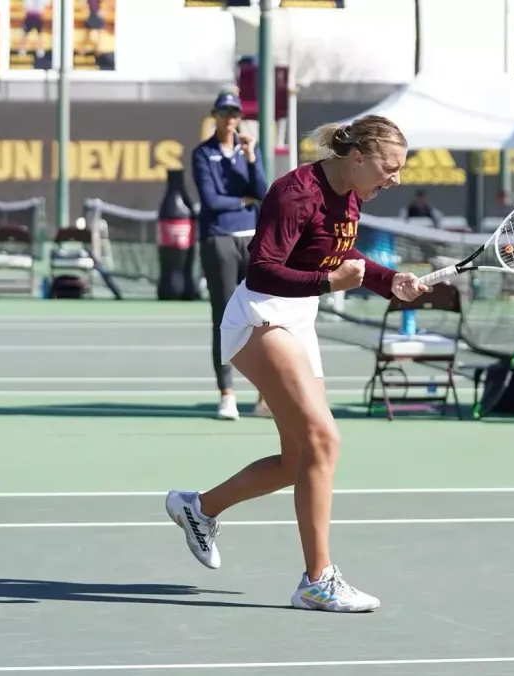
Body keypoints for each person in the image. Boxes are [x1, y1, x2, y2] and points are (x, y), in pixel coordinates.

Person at [166, 115, 429, 613]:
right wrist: (333, 285)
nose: (395, 178)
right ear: (358, 157)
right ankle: (317, 580)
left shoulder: (351, 193)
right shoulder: (294, 193)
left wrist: (388, 280)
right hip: (260, 316)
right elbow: (263, 269)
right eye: (389, 168)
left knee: (302, 459)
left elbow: (338, 253)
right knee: (324, 438)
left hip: (297, 319)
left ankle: (198, 508)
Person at [191, 89, 271, 420]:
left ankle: (265, 394)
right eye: (224, 113)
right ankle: (227, 393)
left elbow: (262, 191)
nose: (230, 119)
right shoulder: (201, 154)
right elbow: (211, 200)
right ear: (215, 115)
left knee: (262, 317)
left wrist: (252, 157)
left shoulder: (248, 150)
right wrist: (241, 201)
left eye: (235, 113)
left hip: (251, 239)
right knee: (224, 316)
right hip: (219, 239)